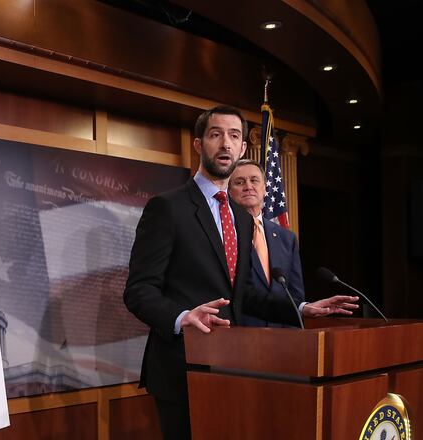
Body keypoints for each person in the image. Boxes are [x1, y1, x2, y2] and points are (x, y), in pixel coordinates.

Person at [123, 105, 358, 440]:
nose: (225, 144)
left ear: (243, 148)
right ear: (198, 144)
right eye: (216, 134)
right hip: (182, 367)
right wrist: (182, 317)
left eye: (234, 136)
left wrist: (301, 308)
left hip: (234, 367)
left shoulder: (243, 218)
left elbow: (244, 294)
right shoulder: (168, 207)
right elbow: (138, 290)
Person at [228, 158, 304, 327]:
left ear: (265, 189)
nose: (248, 186)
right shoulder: (225, 234)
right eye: (239, 182)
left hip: (283, 338)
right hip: (240, 336)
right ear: (228, 191)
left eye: (254, 180)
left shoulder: (287, 238)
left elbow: (295, 295)